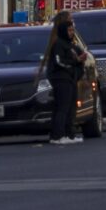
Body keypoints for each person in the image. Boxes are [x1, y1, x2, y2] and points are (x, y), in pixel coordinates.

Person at [44, 8, 88, 145]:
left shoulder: (69, 44)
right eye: (69, 29)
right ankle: (58, 135)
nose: (72, 31)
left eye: (72, 29)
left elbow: (77, 54)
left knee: (70, 108)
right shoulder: (58, 44)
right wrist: (76, 61)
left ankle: (69, 133)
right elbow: (60, 61)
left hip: (71, 79)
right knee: (62, 107)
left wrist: (80, 60)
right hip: (62, 79)